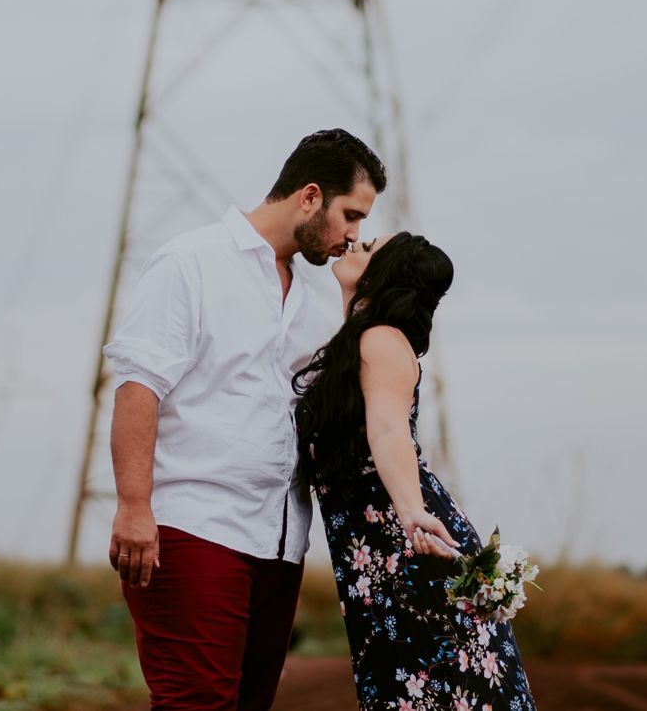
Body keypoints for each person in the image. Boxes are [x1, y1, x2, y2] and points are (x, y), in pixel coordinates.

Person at [103, 128, 388, 711]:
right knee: (196, 704)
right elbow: (139, 387)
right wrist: (134, 505)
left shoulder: (313, 299)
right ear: (309, 197)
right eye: (351, 215)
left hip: (280, 541)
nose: (354, 236)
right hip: (194, 528)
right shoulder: (191, 262)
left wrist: (356, 304)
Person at [295, 233, 537, 711]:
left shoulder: (380, 341)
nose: (352, 243)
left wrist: (410, 512)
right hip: (380, 545)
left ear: (385, 275)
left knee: (434, 688)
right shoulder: (363, 338)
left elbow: (387, 430)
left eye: (368, 246)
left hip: (404, 538)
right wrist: (351, 295)